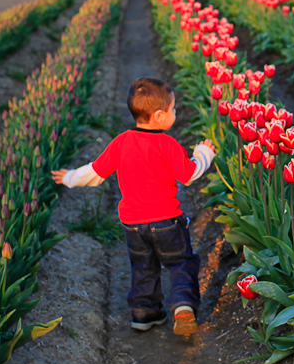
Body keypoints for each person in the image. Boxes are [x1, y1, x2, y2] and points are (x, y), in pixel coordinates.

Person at [51, 77, 216, 335]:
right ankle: (183, 305)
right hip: (167, 222)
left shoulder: (121, 142)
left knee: (143, 266)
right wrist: (204, 154)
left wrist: (70, 177)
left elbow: (95, 172)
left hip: (133, 225)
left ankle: (143, 312)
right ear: (159, 116)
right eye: (173, 110)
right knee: (182, 263)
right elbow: (188, 174)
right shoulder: (168, 144)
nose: (175, 113)